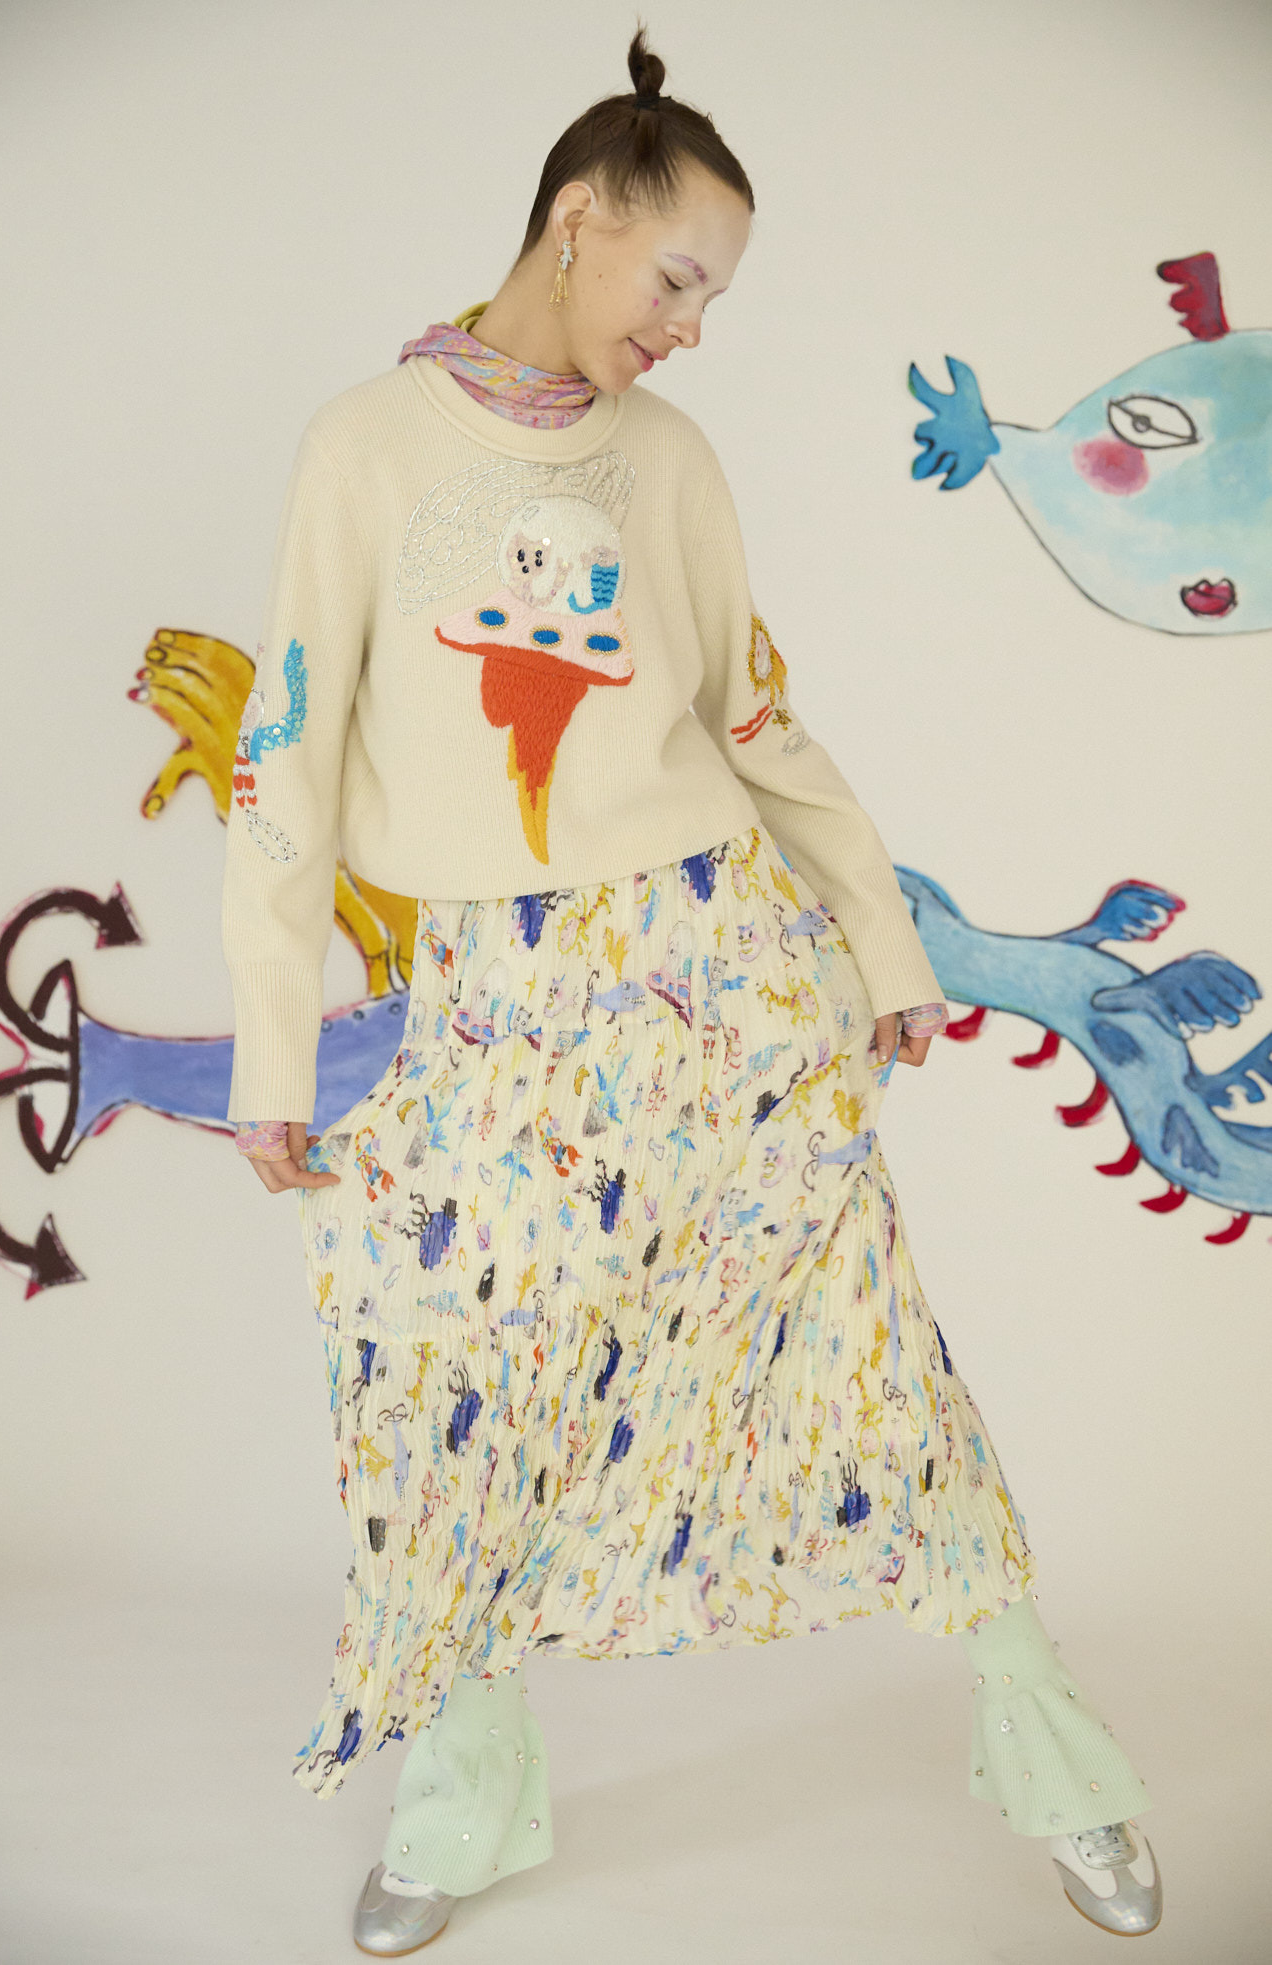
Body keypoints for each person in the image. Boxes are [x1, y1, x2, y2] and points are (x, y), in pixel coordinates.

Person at [220, 29, 1162, 1954]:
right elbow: (284, 755)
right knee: (454, 1390)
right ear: (578, 217)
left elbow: (754, 715)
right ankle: (461, 1808)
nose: (693, 328)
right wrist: (269, 1043)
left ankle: (1059, 1763)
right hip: (483, 1009)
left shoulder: (667, 460)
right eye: (677, 279)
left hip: (713, 972)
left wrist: (880, 943)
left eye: (715, 298)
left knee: (869, 1361)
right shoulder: (364, 447)